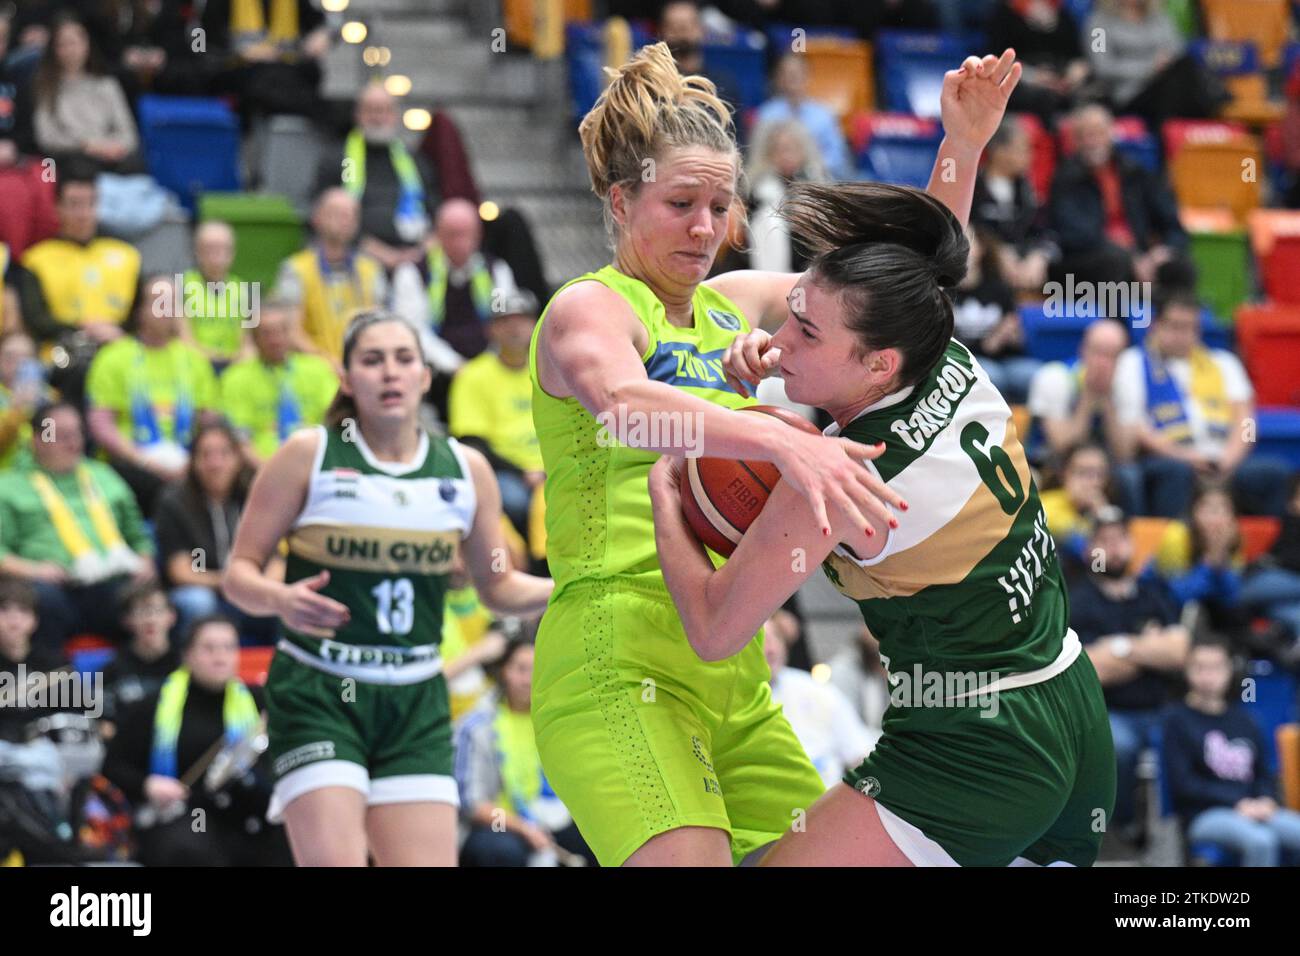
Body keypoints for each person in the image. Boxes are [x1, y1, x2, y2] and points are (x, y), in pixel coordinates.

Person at [553, 43, 1077, 868]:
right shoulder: (590, 307)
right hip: (617, 654)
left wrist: (962, 146)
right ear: (621, 202)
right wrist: (785, 440)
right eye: (679, 201)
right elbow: (624, 409)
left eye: (720, 204)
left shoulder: (733, 306)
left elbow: (899, 301)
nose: (703, 226)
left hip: (737, 666)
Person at [650, 160, 1119, 866]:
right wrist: (964, 140)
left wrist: (666, 500)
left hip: (977, 744)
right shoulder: (946, 355)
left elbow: (716, 629)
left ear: (878, 365)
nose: (782, 338)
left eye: (805, 333)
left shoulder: (841, 482)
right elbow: (920, 265)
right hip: (1070, 701)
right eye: (793, 310)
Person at [222, 310, 552, 866]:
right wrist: (281, 599)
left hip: (416, 695)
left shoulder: (465, 470)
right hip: (321, 689)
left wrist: (576, 583)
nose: (390, 373)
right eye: (372, 361)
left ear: (425, 376)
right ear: (348, 379)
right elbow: (238, 574)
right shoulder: (310, 455)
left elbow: (497, 588)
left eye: (404, 359)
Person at [101, 615, 292, 866]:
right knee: (192, 849)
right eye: (209, 648)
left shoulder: (260, 704)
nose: (220, 656)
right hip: (182, 815)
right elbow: (113, 766)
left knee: (291, 839)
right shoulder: (153, 705)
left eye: (228, 647)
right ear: (188, 655)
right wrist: (148, 785)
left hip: (247, 813)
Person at [1112, 288, 1293, 517]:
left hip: (1222, 460)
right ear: (1155, 325)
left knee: (1276, 473)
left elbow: (1246, 421)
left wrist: (1229, 459)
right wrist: (1187, 457)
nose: (1183, 335)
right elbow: (1136, 426)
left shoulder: (1224, 362)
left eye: (1191, 328)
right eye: (1175, 326)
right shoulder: (1134, 362)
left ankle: (1272, 550)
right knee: (1175, 473)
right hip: (1170, 459)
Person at [1069, 505, 1188, 834]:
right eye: (1103, 540)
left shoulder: (1153, 594)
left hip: (1163, 708)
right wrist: (1148, 648)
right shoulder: (1077, 601)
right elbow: (1091, 669)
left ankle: (1177, 835)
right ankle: (1119, 827)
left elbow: (1178, 652)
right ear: (1088, 549)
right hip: (1108, 713)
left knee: (1189, 734)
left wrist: (1119, 648)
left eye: (1120, 539)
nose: (1113, 548)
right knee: (1118, 747)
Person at [0, 402, 154, 652]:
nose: (73, 443)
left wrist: (145, 560)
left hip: (111, 581)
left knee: (147, 602)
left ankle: (131, 682)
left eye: (77, 434)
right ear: (38, 440)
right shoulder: (8, 487)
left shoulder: (104, 476)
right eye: (62, 436)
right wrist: (34, 570)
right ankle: (50, 683)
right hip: (51, 587)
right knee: (40, 602)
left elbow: (137, 535)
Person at [454, 638, 597, 867]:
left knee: (600, 839)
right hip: (500, 822)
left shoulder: (560, 721)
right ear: (504, 672)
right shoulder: (477, 726)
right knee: (500, 850)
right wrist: (523, 828)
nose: (528, 679)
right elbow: (473, 804)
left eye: (536, 669)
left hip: (553, 817)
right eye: (521, 669)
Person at [85, 274, 221, 515]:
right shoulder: (114, 357)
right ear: (140, 310)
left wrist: (200, 462)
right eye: (159, 303)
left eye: (173, 303)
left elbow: (209, 422)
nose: (167, 311)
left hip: (186, 459)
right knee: (162, 490)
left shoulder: (194, 359)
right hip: (131, 462)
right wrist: (145, 461)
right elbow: (101, 425)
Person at [1163, 638, 1300, 866]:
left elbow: (1264, 773)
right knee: (1261, 841)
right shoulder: (1176, 720)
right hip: (1204, 813)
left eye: (1216, 667)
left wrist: (1266, 800)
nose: (1208, 676)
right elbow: (1184, 784)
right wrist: (1237, 802)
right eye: (1200, 667)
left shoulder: (1245, 719)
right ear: (1187, 671)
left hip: (1254, 808)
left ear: (1229, 670)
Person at [155, 420, 278, 644]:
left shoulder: (255, 496)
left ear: (239, 459)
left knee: (285, 601)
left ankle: (283, 672)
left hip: (252, 590)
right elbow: (181, 571)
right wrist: (232, 583)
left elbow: (279, 560)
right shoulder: (174, 502)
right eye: (206, 455)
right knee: (197, 602)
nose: (215, 463)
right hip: (204, 589)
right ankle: (202, 671)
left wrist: (264, 589)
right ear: (192, 461)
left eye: (224, 454)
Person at [1048, 104, 1191, 289]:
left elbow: (1172, 224)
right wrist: (1132, 257)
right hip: (1088, 260)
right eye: (1084, 136)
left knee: (1179, 265)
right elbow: (1075, 235)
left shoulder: (1135, 172)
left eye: (1097, 134)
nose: (1092, 142)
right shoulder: (1065, 179)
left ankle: (1175, 316)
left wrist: (1161, 253)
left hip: (1140, 254)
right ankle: (1118, 318)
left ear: (1111, 133)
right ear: (1075, 140)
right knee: (1114, 261)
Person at [448, 290, 543, 539]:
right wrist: (524, 472)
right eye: (505, 321)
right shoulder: (472, 375)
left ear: (535, 325)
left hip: (550, 467)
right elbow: (472, 443)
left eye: (523, 320)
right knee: (515, 501)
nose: (515, 328)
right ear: (491, 329)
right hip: (504, 471)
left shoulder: (549, 371)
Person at [316, 83, 441, 273]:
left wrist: (419, 254)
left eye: (384, 110)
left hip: (415, 260)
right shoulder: (338, 159)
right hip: (356, 256)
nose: (377, 117)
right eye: (370, 110)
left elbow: (435, 213)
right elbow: (321, 214)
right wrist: (380, 253)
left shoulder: (415, 161)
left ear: (395, 115)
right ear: (357, 114)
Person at [275, 188, 388, 371]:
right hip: (313, 370)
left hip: (363, 368)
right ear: (316, 218)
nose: (344, 221)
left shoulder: (371, 270)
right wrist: (328, 362)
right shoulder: (295, 269)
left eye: (350, 215)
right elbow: (291, 333)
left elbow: (380, 328)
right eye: (336, 214)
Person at [218, 298, 339, 467]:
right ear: (254, 338)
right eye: (266, 333)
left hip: (317, 460)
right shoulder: (236, 378)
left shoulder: (317, 369)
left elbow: (336, 419)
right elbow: (241, 439)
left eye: (280, 332)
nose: (275, 340)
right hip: (262, 465)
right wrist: (268, 472)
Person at [763, 619, 878, 787]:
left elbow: (859, 753)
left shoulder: (816, 691)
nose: (772, 649)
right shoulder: (724, 698)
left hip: (826, 800)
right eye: (761, 641)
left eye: (776, 639)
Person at [407, 198, 517, 362]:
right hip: (435, 369)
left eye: (467, 233)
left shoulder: (496, 271)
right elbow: (414, 328)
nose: (460, 242)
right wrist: (453, 364)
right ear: (438, 234)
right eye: (453, 234)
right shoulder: (414, 273)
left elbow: (502, 318)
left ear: (479, 234)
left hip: (487, 366)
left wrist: (483, 366)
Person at [31, 13, 140, 174]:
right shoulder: (46, 86)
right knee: (78, 168)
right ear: (53, 49)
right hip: (71, 156)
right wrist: (86, 145)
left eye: (74, 42)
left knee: (136, 165)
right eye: (63, 44)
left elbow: (129, 134)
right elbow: (46, 137)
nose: (70, 50)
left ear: (87, 44)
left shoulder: (107, 85)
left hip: (109, 154)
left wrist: (110, 147)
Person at [950, 225, 1039, 403]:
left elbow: (1017, 337)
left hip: (1007, 360)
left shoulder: (999, 288)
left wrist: (1014, 335)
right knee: (991, 376)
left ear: (981, 248)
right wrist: (989, 343)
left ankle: (1029, 429)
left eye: (969, 242)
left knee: (1037, 375)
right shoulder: (945, 293)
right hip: (968, 362)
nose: (964, 249)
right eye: (956, 243)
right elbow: (950, 347)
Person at [1026, 317, 1129, 465]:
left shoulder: (1123, 384)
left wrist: (1107, 399)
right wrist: (1088, 397)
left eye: (1112, 355)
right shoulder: (1054, 377)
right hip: (1050, 461)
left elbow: (1124, 455)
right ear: (1083, 350)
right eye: (1098, 352)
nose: (1103, 363)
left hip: (1101, 465)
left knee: (1128, 475)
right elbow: (1062, 448)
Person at [971, 116, 1055, 292]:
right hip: (986, 268)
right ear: (998, 151)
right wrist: (997, 251)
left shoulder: (1028, 191)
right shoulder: (972, 188)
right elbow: (970, 228)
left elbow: (1044, 232)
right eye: (1023, 149)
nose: (1030, 157)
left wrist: (1038, 256)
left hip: (1024, 265)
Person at [986, 0, 1088, 128]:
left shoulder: (1061, 12)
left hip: (1061, 77)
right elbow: (997, 58)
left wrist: (1074, 74)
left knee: (1093, 95)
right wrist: (1034, 77)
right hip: (1023, 80)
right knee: (1045, 99)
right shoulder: (1004, 13)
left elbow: (1078, 56)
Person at [746, 118, 827, 274]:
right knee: (770, 220)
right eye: (780, 149)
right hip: (769, 254)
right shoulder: (758, 186)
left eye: (792, 149)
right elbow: (751, 222)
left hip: (806, 253)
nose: (786, 155)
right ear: (769, 153)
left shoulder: (815, 178)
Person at [754, 54, 851, 182]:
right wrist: (785, 165)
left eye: (798, 73)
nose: (793, 78)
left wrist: (807, 165)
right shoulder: (766, 113)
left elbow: (838, 156)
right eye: (787, 73)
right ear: (778, 78)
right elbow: (758, 155)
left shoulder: (824, 114)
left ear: (808, 76)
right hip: (775, 180)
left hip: (817, 178)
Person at [100, 580, 181, 727]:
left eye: (157, 611)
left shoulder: (187, 664)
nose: (150, 620)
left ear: (172, 616)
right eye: (141, 612)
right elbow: (104, 725)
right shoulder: (112, 669)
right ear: (127, 620)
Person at [177, 222, 249, 370]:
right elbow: (184, 341)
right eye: (210, 248)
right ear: (197, 251)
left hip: (234, 367)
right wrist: (215, 359)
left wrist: (236, 360)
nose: (217, 254)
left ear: (232, 253)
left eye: (223, 248)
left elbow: (248, 344)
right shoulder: (182, 286)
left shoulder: (242, 289)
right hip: (194, 366)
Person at [1040, 441, 1114, 563]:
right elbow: (1079, 549)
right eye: (1083, 472)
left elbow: (1100, 566)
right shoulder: (1045, 505)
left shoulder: (1104, 511)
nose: (1094, 481)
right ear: (1064, 474)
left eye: (1099, 474)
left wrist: (1102, 515)